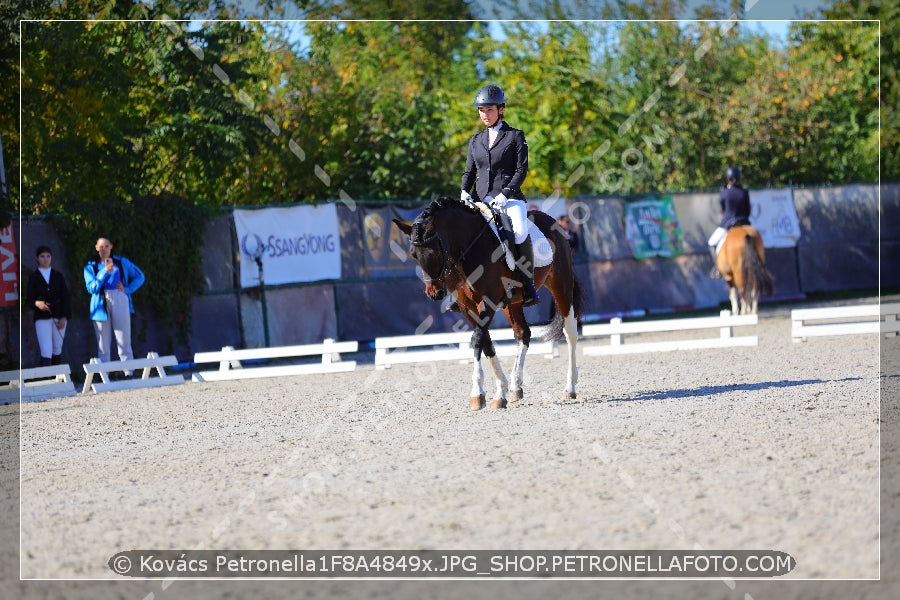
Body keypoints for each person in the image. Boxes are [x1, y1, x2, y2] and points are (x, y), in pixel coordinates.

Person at [457, 83, 538, 311]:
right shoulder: (476, 140)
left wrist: (505, 195)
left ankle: (527, 284)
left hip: (509, 198)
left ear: (500, 109)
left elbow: (521, 171)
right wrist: (464, 190)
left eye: (489, 110)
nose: (484, 114)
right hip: (480, 200)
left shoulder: (515, 137)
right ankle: (461, 289)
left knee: (520, 230)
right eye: (481, 110)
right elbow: (470, 171)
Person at [84, 236, 145, 377]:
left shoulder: (121, 262)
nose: (103, 249)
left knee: (124, 338)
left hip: (119, 297)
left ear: (111, 246)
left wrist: (127, 289)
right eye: (101, 246)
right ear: (96, 248)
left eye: (106, 246)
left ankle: (128, 372)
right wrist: (104, 271)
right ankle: (105, 374)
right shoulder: (90, 267)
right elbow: (92, 288)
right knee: (103, 343)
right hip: (100, 301)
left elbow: (140, 276)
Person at [25, 245, 71, 367]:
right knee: (46, 350)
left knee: (57, 348)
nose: (45, 259)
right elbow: (29, 299)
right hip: (42, 318)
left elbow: (65, 297)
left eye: (48, 256)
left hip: (59, 316)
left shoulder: (58, 276)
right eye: (42, 256)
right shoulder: (33, 277)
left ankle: (57, 380)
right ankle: (46, 381)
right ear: (37, 258)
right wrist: (37, 303)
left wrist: (64, 317)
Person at [707, 166, 751, 278]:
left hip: (728, 224)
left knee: (711, 242)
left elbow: (723, 210)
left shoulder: (724, 193)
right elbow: (748, 210)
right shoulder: (744, 192)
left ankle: (717, 267)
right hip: (744, 223)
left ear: (728, 179)